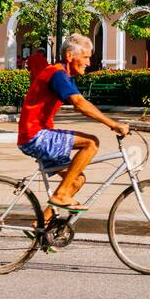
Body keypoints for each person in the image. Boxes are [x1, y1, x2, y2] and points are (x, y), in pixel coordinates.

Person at [17, 33, 128, 214]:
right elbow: (80, 104)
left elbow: (80, 104)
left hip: (38, 135)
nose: (89, 63)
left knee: (76, 180)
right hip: (35, 135)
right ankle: (60, 195)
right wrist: (113, 124)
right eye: (85, 57)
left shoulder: (64, 75)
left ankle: (42, 226)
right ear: (70, 56)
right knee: (91, 143)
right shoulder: (57, 74)